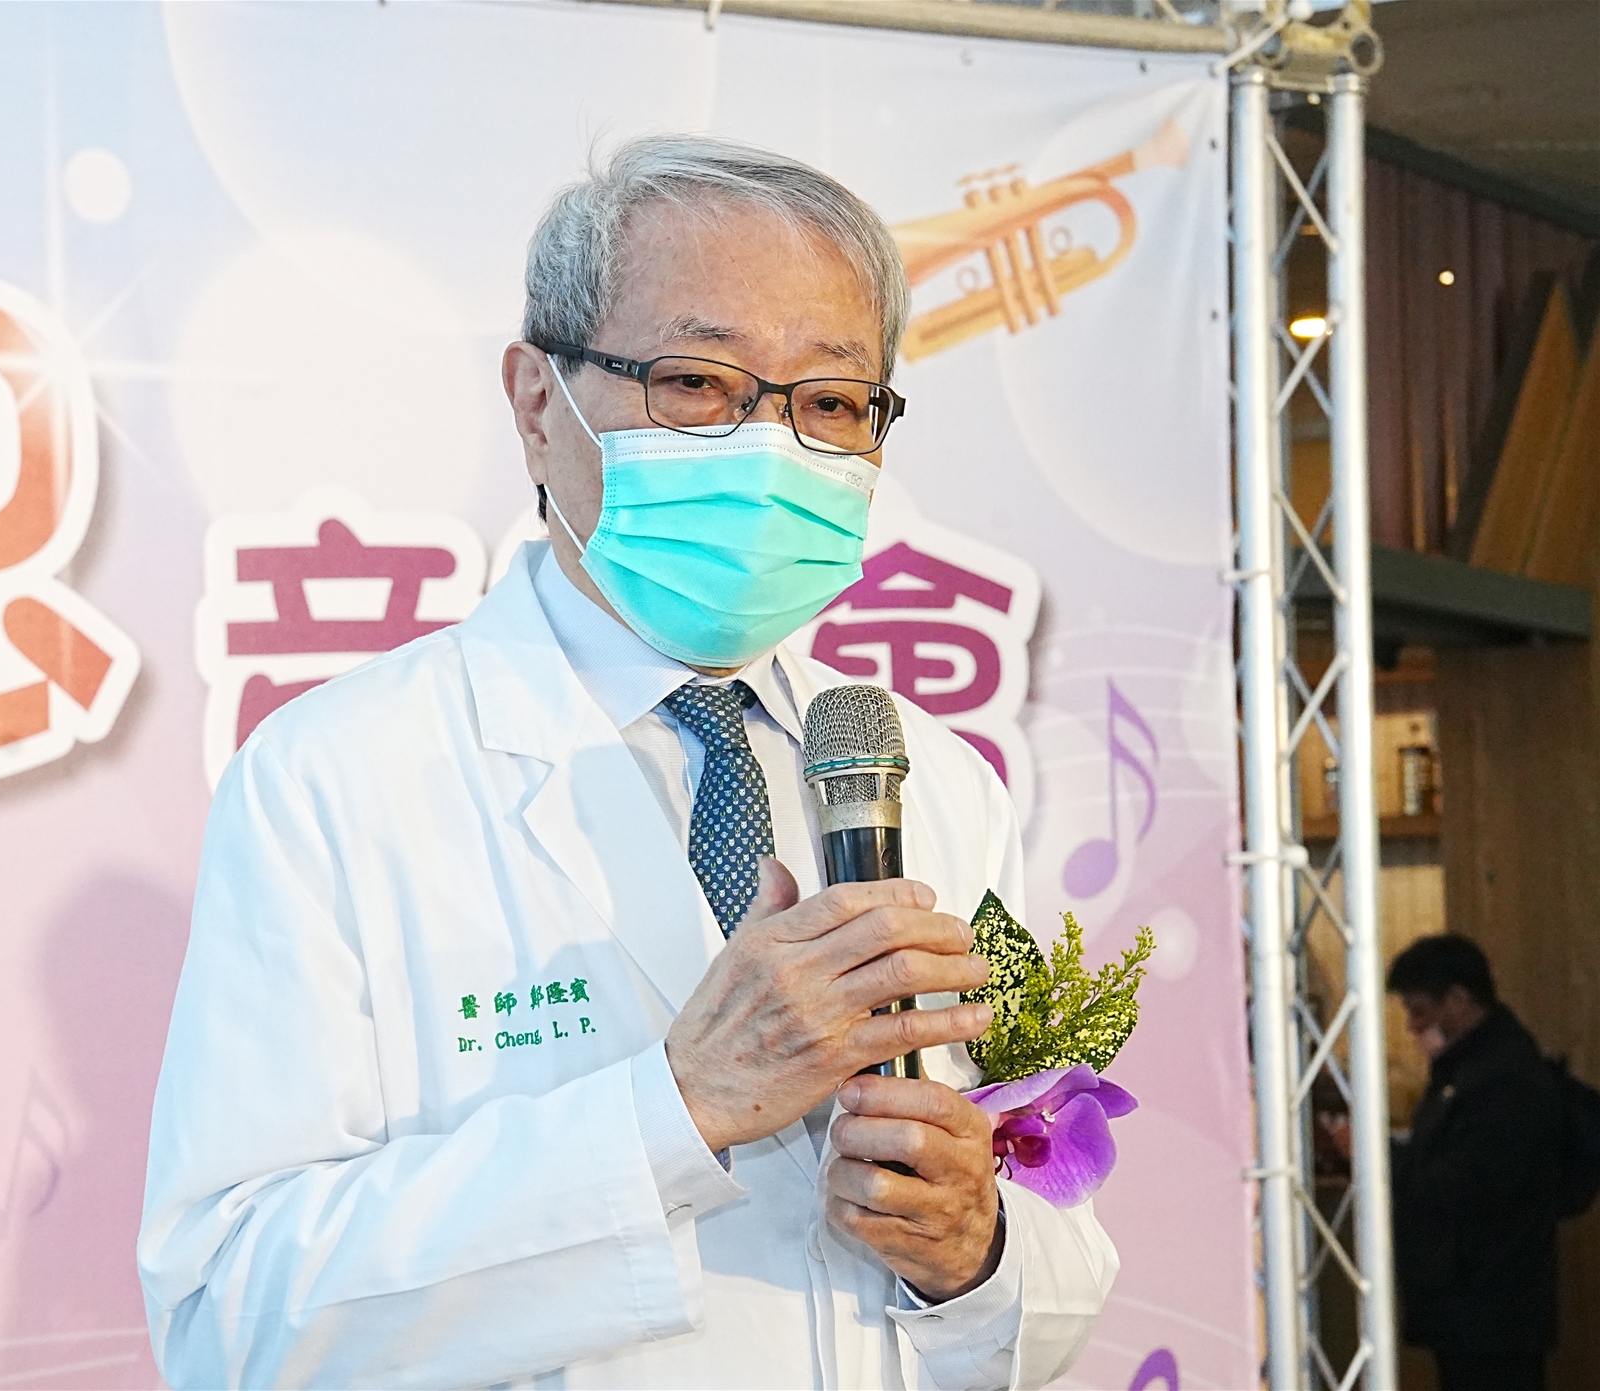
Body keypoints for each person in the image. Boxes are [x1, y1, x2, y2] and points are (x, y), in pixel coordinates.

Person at [139, 135, 1115, 1389]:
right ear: (537, 401)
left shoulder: (931, 774)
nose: (769, 447)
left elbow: (1044, 1274)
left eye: (829, 402)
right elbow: (229, 1317)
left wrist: (973, 1252)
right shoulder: (336, 777)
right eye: (696, 381)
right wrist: (678, 1106)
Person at [1386, 935, 1563, 1391]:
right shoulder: (1474, 1067)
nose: (1412, 1026)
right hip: (1476, 1304)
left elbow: (1462, 1187)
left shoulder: (1503, 1079)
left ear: (1458, 1000)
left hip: (1490, 1305)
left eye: (1420, 1012)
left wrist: (1382, 1157)